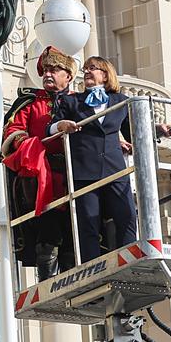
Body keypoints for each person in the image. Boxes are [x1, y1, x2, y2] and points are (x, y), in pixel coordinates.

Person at [50, 55, 136, 261]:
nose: (87, 71)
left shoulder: (120, 101)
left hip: (115, 169)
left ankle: (129, 259)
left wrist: (159, 130)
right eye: (86, 69)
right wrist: (60, 126)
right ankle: (92, 265)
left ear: (105, 75)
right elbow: (50, 128)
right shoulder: (72, 101)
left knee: (127, 215)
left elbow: (133, 132)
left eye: (93, 68)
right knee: (88, 222)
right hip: (84, 170)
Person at [1, 47, 77, 277]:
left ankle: (73, 278)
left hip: (73, 174)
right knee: (48, 233)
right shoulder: (31, 102)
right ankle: (48, 282)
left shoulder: (78, 101)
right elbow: (13, 130)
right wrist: (26, 143)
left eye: (54, 70)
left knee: (72, 234)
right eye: (45, 70)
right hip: (41, 177)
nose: (47, 74)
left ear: (68, 76)